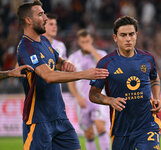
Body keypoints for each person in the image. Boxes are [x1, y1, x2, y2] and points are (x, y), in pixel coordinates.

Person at [17, 1, 109, 150]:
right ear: (28, 20)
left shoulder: (44, 41)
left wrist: (64, 63)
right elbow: (48, 76)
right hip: (38, 120)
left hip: (60, 117)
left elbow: (57, 61)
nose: (45, 18)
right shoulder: (26, 47)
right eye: (40, 14)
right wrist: (84, 74)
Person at [89, 16, 161, 150]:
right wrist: (110, 100)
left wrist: (156, 97)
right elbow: (93, 95)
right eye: (123, 35)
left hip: (147, 125)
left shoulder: (148, 58)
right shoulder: (105, 63)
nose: (128, 39)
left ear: (136, 35)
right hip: (121, 129)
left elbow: (155, 77)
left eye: (131, 34)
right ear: (115, 38)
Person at [68, 29, 110, 150]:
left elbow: (105, 66)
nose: (85, 44)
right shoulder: (73, 58)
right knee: (89, 134)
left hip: (99, 97)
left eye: (87, 41)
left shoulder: (100, 54)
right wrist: (77, 97)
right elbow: (71, 80)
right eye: (83, 42)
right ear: (79, 42)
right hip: (83, 101)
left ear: (91, 40)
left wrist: (92, 50)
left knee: (101, 127)